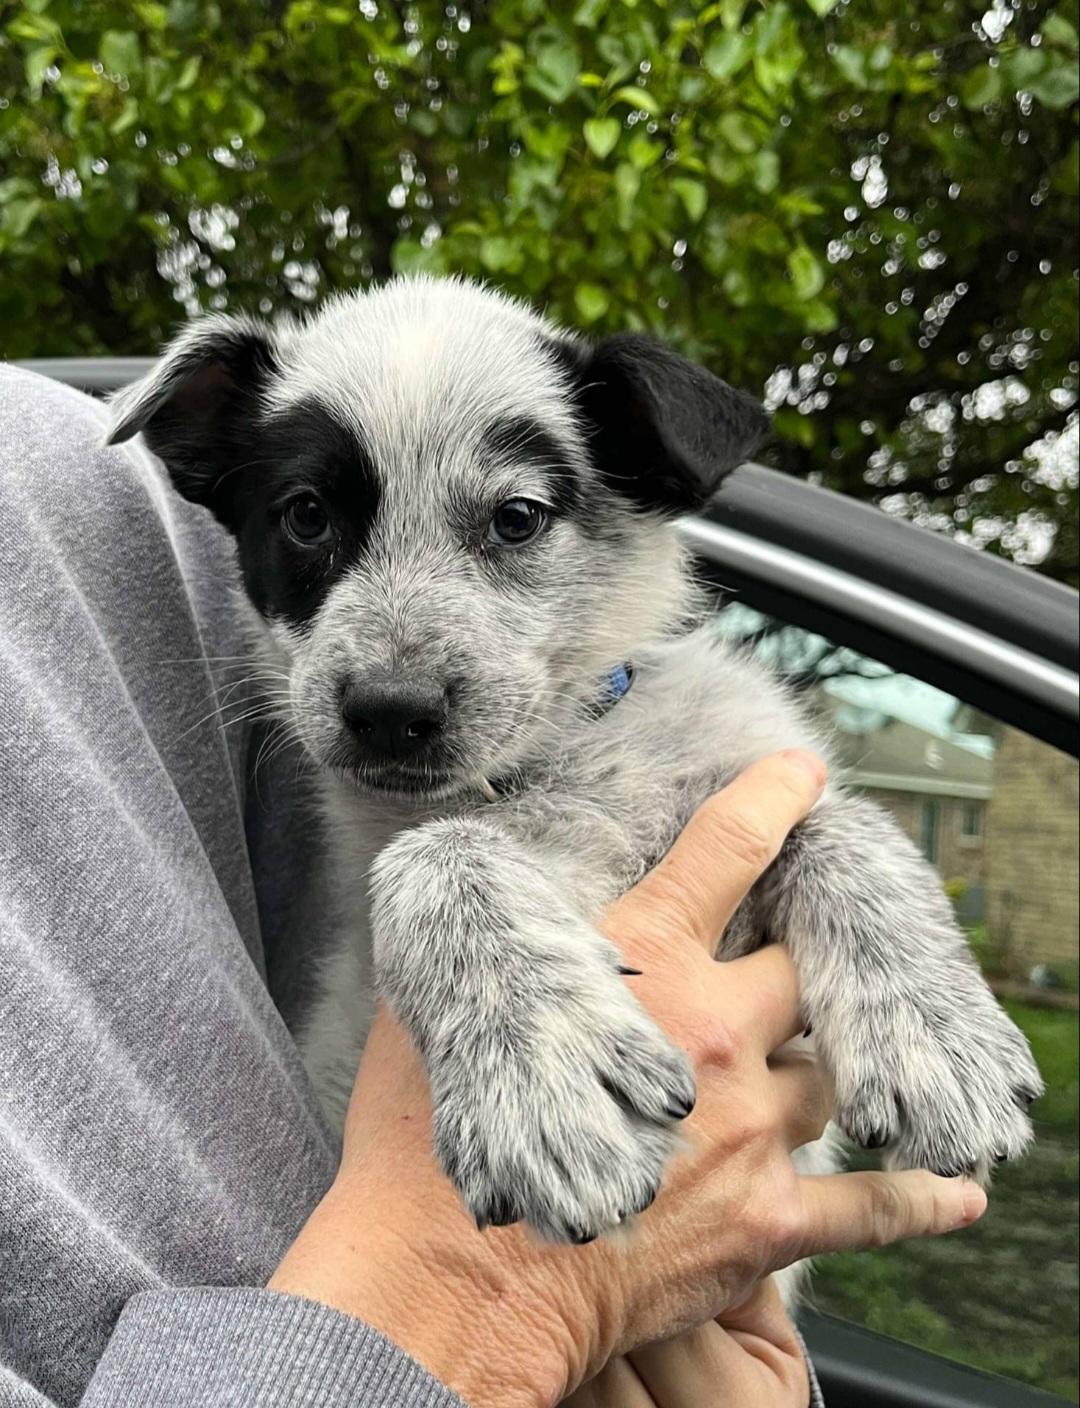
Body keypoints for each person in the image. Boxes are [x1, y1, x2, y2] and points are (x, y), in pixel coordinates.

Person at [0, 365, 987, 1408]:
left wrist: (865, 914)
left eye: (511, 520)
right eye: (308, 517)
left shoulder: (708, 721)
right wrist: (471, 1305)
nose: (394, 671)